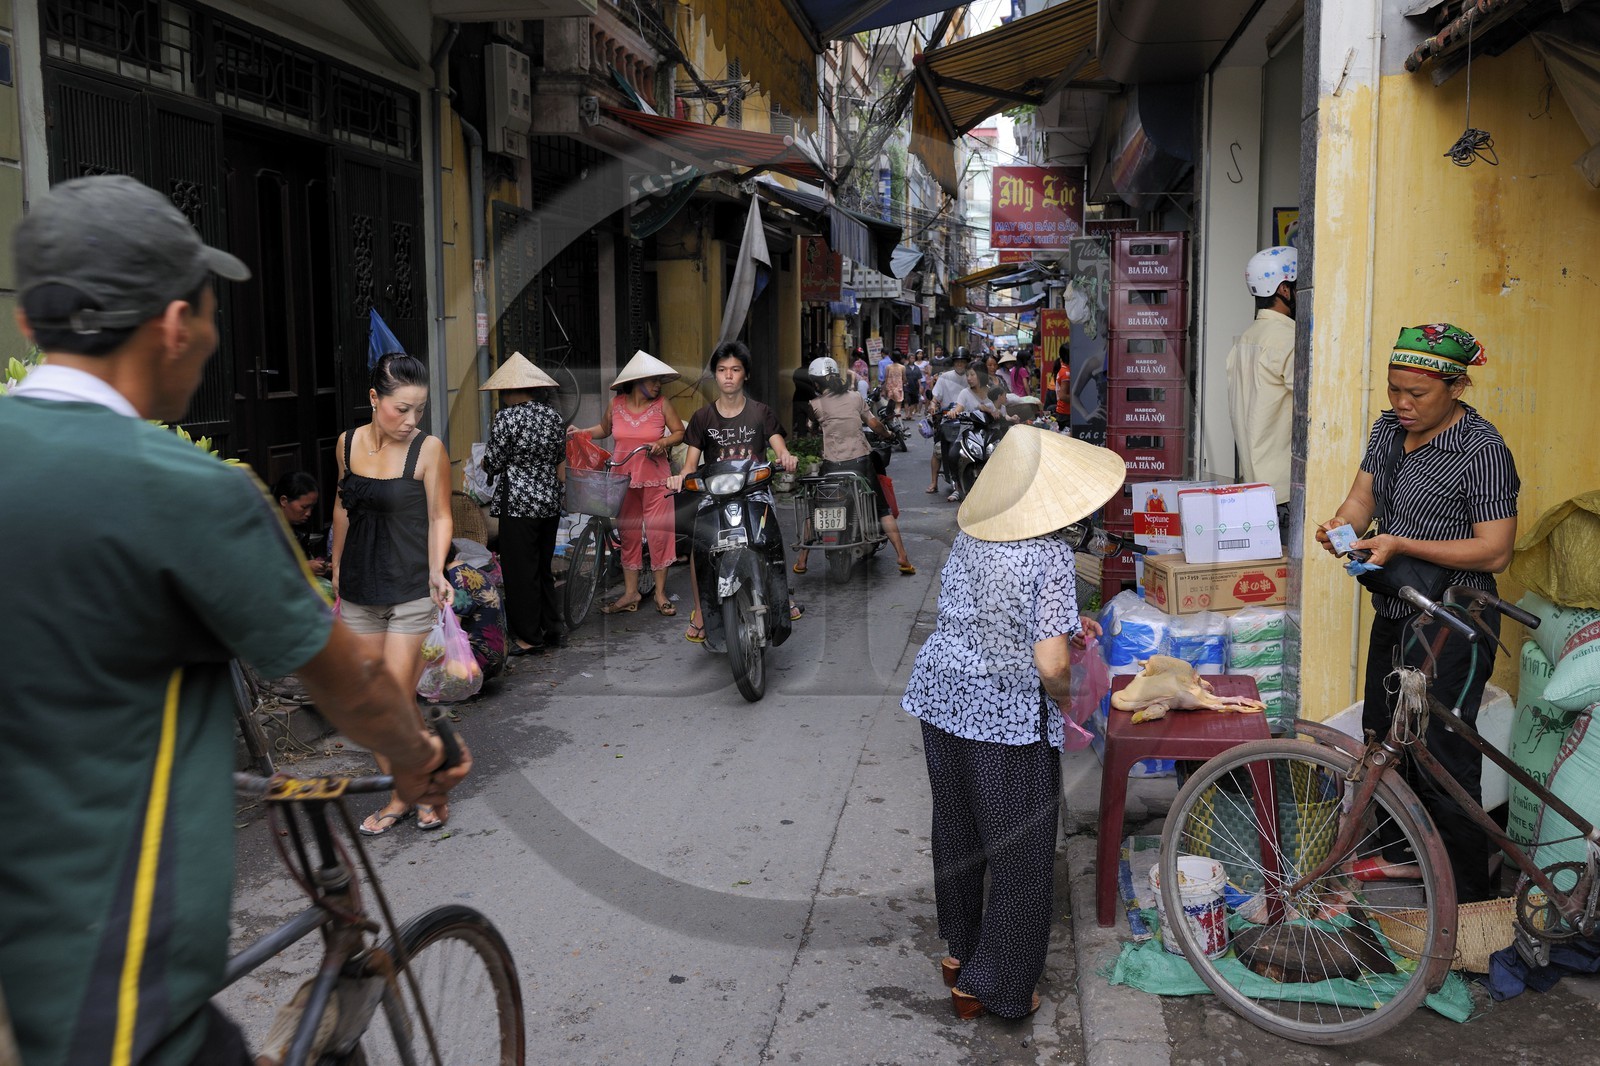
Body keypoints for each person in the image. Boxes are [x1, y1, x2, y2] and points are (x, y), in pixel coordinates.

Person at [0, 174, 467, 1066]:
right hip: (107, 996)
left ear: (33, 326)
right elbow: (354, 687)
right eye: (210, 316)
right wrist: (421, 757)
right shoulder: (190, 493)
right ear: (177, 325)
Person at [902, 426, 1123, 1019]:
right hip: (1004, 719)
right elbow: (1049, 665)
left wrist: (1068, 624)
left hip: (941, 699)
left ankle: (962, 951)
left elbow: (992, 610)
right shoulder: (1048, 553)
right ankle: (992, 984)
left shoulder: (973, 532)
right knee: (1021, 851)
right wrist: (1072, 696)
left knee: (958, 829)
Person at [1315, 323, 1518, 904]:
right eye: (1393, 390)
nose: (1401, 404)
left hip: (1455, 619)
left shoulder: (1483, 451)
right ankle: (1407, 861)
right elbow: (1363, 496)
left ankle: (1469, 898)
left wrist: (1401, 543)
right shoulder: (1388, 429)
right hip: (1399, 606)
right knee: (1384, 736)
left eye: (1417, 394)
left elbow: (1495, 549)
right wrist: (1343, 524)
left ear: (1456, 387)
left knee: (1443, 753)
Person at [334, 351, 457, 835]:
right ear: (373, 399)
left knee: (394, 702)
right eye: (401, 408)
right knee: (369, 706)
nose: (411, 420)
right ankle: (408, 792)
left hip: (410, 587)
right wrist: (338, 565)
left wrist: (437, 571)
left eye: (419, 410)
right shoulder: (345, 445)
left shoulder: (428, 450)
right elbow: (344, 508)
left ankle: (418, 791)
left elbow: (441, 516)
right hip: (361, 590)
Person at [667, 340, 800, 643]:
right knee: (699, 547)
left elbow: (779, 445)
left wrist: (786, 457)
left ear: (745, 375)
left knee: (769, 537)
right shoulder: (703, 418)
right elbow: (690, 464)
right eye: (722, 370)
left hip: (754, 491)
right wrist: (680, 478)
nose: (728, 376)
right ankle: (701, 611)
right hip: (714, 495)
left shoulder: (761, 413)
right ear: (715, 375)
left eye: (735, 370)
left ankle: (781, 597)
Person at [570, 349, 685, 615]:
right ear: (636, 382)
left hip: (657, 480)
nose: (658, 385)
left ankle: (659, 594)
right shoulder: (616, 405)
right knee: (629, 535)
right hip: (623, 480)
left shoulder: (662, 405)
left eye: (659, 380)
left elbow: (680, 432)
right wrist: (582, 432)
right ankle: (630, 594)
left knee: (659, 534)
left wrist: (663, 442)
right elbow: (604, 430)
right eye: (652, 380)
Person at [790, 356, 915, 576]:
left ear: (816, 383)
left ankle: (802, 559)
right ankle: (902, 557)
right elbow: (874, 424)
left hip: (832, 465)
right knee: (882, 508)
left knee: (816, 508)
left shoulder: (815, 405)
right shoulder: (856, 397)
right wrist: (887, 435)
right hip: (860, 463)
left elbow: (813, 427)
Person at [480, 353, 567, 656]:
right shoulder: (553, 416)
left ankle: (529, 637)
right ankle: (552, 627)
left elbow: (493, 461)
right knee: (542, 567)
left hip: (518, 503)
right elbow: (558, 458)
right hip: (549, 502)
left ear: (509, 390)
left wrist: (488, 464)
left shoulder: (507, 418)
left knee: (520, 571)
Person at [1227, 245, 1297, 530]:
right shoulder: (1288, 339)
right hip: (1285, 491)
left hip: (1254, 485)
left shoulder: (1246, 338)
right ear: (1284, 289)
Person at [925, 349, 970, 495]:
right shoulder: (945, 377)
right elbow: (935, 397)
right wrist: (932, 406)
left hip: (968, 418)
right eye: (958, 361)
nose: (960, 364)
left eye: (963, 361)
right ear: (954, 362)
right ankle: (934, 482)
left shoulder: (971, 377)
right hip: (947, 419)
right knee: (938, 449)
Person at [273, 469, 331, 579]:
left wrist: (321, 567)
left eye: (312, 507)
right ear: (284, 500)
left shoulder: (298, 527)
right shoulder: (265, 528)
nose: (309, 513)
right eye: (304, 507)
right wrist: (303, 567)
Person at [1054, 346, 1072, 433]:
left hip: (1064, 413)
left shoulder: (1064, 369)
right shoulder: (1066, 373)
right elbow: (1063, 396)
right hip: (1066, 413)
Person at [884, 348, 905, 414]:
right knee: (898, 405)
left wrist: (884, 389)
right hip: (899, 389)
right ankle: (896, 418)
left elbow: (886, 378)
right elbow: (904, 378)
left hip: (890, 388)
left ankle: (891, 419)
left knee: (890, 405)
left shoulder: (888, 367)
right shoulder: (902, 367)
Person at [904, 349, 924, 418]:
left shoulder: (917, 368)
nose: (912, 359)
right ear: (908, 359)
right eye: (911, 358)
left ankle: (910, 414)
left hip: (915, 386)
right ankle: (906, 414)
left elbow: (919, 378)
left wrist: (920, 386)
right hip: (907, 386)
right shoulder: (905, 368)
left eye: (913, 358)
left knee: (913, 401)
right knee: (906, 400)